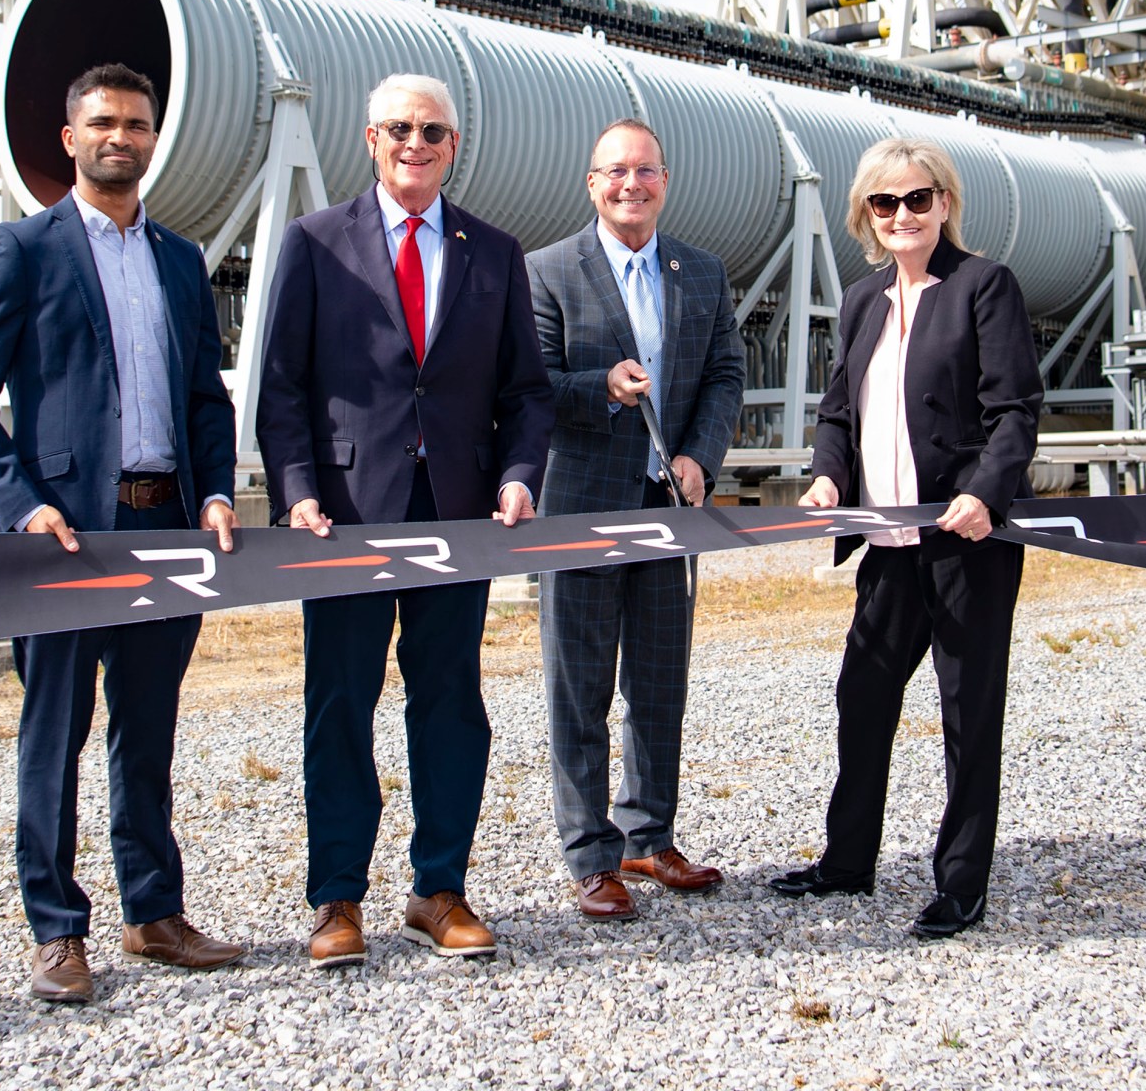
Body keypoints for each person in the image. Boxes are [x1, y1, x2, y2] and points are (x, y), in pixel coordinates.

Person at [0, 62, 244, 1003]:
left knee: (146, 732)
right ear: (70, 139)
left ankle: (153, 912)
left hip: (165, 530)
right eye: (104, 122)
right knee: (55, 733)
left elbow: (204, 398)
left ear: (156, 139)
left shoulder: (181, 261)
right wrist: (22, 502)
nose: (122, 136)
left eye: (138, 124)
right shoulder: (21, 251)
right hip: (66, 536)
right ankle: (57, 929)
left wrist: (217, 493)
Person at [257, 73, 554, 969]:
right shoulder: (315, 243)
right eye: (400, 128)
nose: (416, 143)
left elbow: (526, 393)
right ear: (370, 138)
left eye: (433, 131)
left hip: (457, 513)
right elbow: (282, 387)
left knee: (451, 703)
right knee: (341, 704)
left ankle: (439, 889)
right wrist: (296, 488)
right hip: (344, 515)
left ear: (453, 147)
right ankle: (337, 900)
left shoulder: (494, 253)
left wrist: (517, 475)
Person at [769, 136, 1041, 940]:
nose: (902, 215)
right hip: (886, 548)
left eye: (917, 199)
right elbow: (838, 415)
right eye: (885, 203)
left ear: (945, 203)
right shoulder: (862, 302)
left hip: (965, 546)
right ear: (866, 215)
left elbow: (1014, 410)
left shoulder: (984, 287)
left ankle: (961, 887)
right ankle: (847, 864)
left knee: (967, 714)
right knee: (863, 700)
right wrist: (828, 478)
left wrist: (985, 493)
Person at [524, 119, 744, 920]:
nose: (631, 184)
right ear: (591, 183)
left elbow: (725, 374)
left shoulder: (703, 273)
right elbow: (530, 386)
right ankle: (591, 855)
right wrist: (598, 386)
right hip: (581, 507)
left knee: (658, 681)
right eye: (615, 171)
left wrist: (699, 458)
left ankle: (649, 834)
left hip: (668, 505)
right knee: (578, 686)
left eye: (645, 170)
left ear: (665, 179)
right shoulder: (546, 272)